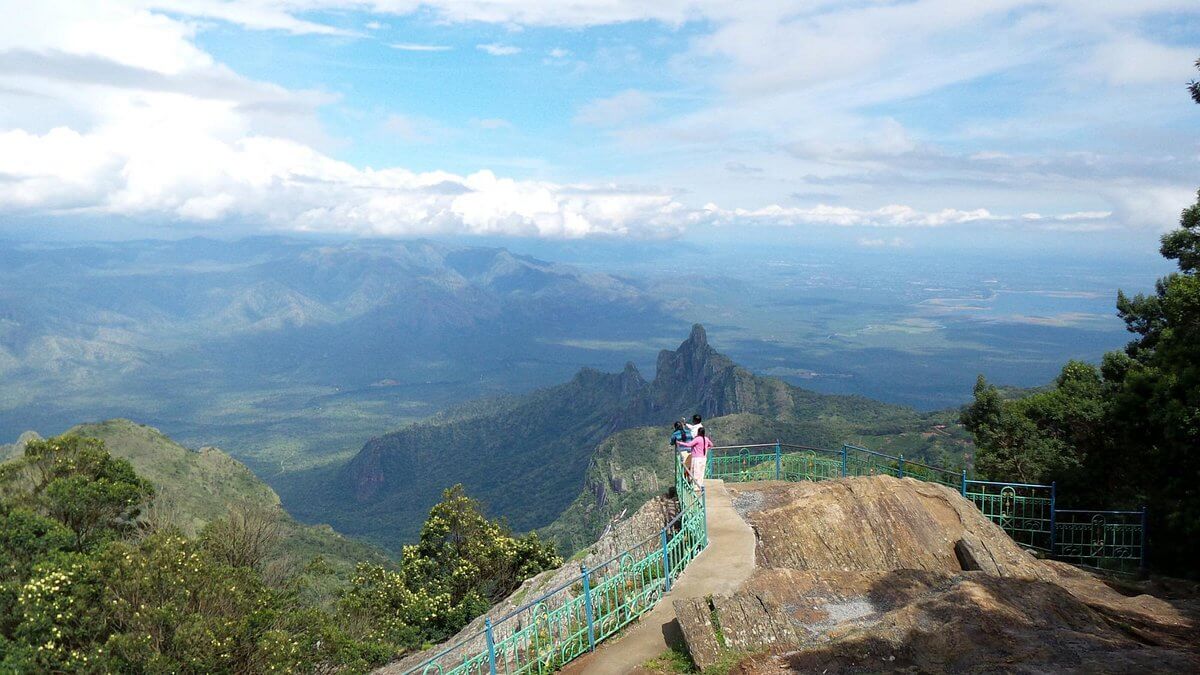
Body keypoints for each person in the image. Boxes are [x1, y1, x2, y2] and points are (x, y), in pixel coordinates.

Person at [676, 427, 713, 492]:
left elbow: (689, 444)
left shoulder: (697, 439)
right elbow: (711, 445)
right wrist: (706, 447)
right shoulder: (706, 439)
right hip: (704, 458)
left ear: (698, 432)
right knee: (701, 472)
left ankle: (696, 486)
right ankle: (700, 485)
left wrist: (679, 443)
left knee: (695, 472)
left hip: (696, 458)